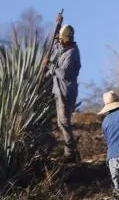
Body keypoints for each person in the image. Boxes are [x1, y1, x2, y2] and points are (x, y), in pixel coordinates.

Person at [47, 24, 81, 162]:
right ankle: (71, 151)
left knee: (64, 121)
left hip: (66, 91)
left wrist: (49, 65)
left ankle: (70, 153)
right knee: (61, 122)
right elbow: (58, 48)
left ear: (67, 39)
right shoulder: (65, 48)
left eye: (61, 39)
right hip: (59, 90)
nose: (59, 41)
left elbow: (63, 73)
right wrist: (59, 25)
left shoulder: (72, 53)